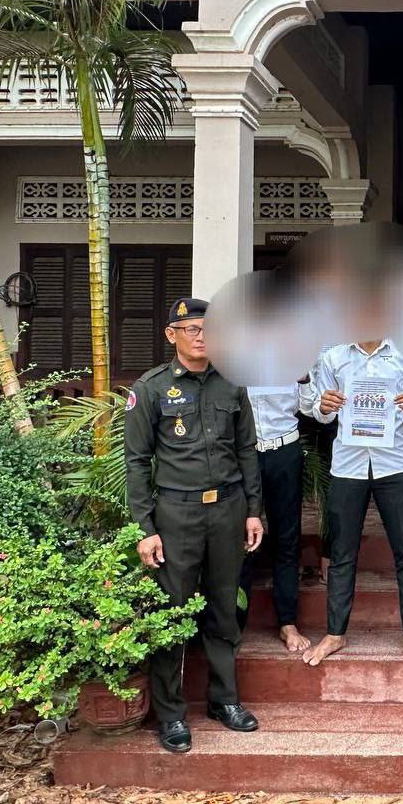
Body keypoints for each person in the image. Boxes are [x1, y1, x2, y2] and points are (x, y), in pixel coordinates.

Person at [124, 297, 264, 755]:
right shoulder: (151, 389)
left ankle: (224, 701)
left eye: (209, 329)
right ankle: (171, 714)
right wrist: (145, 527)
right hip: (176, 514)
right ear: (172, 335)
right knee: (174, 610)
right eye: (192, 329)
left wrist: (253, 510)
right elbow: (136, 461)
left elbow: (246, 451)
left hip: (227, 510)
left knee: (224, 606)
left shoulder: (231, 383)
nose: (202, 337)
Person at [302, 338, 403, 668]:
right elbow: (320, 413)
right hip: (348, 465)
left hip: (394, 464)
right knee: (342, 554)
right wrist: (324, 406)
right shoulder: (333, 357)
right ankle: (335, 633)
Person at [242, 379, 316, 653]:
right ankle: (234, 622)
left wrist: (305, 379)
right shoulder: (234, 360)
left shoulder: (292, 359)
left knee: (287, 537)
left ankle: (287, 622)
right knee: (240, 537)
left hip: (284, 451)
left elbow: (309, 408)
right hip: (244, 454)